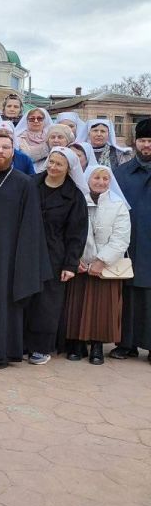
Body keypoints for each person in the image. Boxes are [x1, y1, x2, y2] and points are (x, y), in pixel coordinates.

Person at [0, 132, 50, 368]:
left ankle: (1, 351)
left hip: (10, 255)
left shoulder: (25, 182)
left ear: (13, 152)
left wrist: (23, 259)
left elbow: (31, 224)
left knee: (4, 304)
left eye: (5, 147)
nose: (0, 152)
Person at [25, 148, 88, 364]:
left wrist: (70, 264)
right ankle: (20, 343)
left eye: (59, 164)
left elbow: (77, 233)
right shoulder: (30, 184)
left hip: (54, 254)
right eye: (51, 162)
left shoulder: (74, 196)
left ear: (68, 169)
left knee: (47, 303)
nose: (52, 167)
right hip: (26, 249)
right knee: (25, 297)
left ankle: (41, 348)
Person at [65, 165, 132, 364]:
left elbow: (121, 237)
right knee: (77, 306)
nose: (101, 182)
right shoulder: (77, 201)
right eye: (96, 177)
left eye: (105, 178)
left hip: (104, 267)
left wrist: (101, 261)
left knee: (103, 309)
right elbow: (69, 230)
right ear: (87, 178)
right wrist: (75, 259)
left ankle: (97, 346)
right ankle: (77, 344)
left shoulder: (118, 205)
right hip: (80, 264)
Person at [112, 118, 151, 361]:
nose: (147, 145)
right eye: (143, 140)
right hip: (129, 244)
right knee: (127, 294)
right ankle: (126, 343)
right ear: (135, 142)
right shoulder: (121, 174)